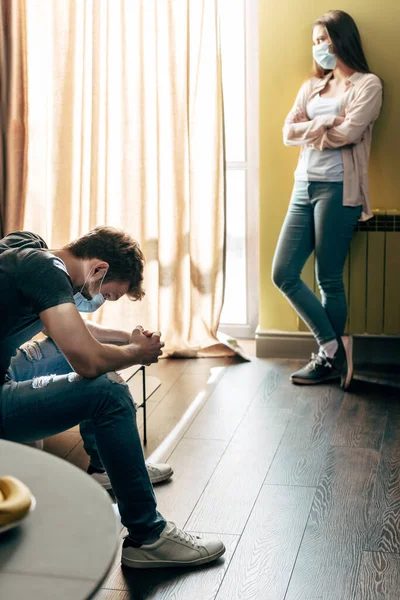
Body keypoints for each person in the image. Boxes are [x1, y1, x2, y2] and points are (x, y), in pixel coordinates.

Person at [0, 227, 225, 568]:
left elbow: (67, 329)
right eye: (110, 296)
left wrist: (126, 340)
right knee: (108, 392)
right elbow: (87, 360)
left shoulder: (28, 247)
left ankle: (104, 467)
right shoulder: (47, 272)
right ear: (99, 269)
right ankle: (148, 537)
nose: (102, 302)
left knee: (75, 354)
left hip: (9, 367)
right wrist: (137, 353)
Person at [272, 10, 382, 388]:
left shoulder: (368, 86)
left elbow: (350, 133)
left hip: (339, 189)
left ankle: (327, 360)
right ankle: (335, 347)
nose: (319, 47)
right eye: (315, 41)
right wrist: (322, 124)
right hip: (303, 184)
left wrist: (314, 129)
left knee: (328, 278)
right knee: (283, 273)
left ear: (342, 39)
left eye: (325, 40)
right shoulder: (313, 87)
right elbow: (287, 132)